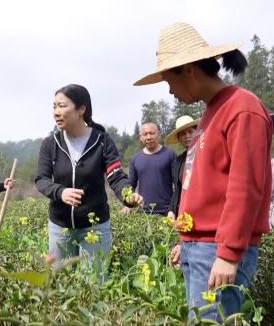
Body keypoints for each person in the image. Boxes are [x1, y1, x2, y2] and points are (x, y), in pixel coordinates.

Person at [134, 23, 272, 321]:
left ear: (188, 71)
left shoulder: (241, 107)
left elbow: (245, 186)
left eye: (169, 80)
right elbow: (202, 186)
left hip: (217, 250)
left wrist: (228, 253)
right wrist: (185, 240)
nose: (169, 91)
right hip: (200, 247)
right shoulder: (211, 113)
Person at [35, 84, 143, 279]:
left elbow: (116, 175)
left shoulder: (102, 141)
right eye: (54, 107)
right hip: (61, 226)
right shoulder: (51, 144)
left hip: (95, 226)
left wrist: (128, 196)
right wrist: (60, 192)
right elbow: (41, 180)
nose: (56, 112)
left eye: (62, 106)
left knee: (94, 283)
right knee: (60, 282)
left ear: (81, 109)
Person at [126, 122, 175, 215]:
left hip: (167, 212)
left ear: (159, 134)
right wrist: (127, 204)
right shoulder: (135, 158)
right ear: (140, 137)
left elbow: (177, 185)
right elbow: (131, 185)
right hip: (143, 212)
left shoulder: (170, 154)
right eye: (145, 134)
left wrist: (172, 209)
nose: (148, 137)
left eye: (152, 133)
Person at [165, 115, 199, 220]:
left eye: (190, 132)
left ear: (197, 133)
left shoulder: (206, 154)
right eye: (183, 134)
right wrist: (171, 210)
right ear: (179, 139)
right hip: (184, 213)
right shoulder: (179, 160)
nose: (187, 136)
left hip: (204, 211)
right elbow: (178, 189)